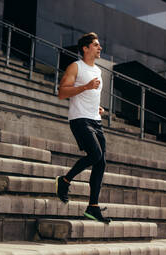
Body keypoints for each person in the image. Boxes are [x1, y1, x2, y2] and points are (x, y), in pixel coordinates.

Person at [55, 32, 110, 223]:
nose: (99, 48)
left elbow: (92, 95)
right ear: (86, 48)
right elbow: (62, 92)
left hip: (95, 119)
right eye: (96, 45)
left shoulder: (98, 71)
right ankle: (65, 180)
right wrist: (85, 87)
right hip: (80, 119)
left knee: (101, 162)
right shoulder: (75, 66)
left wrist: (98, 107)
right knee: (95, 155)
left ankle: (92, 207)